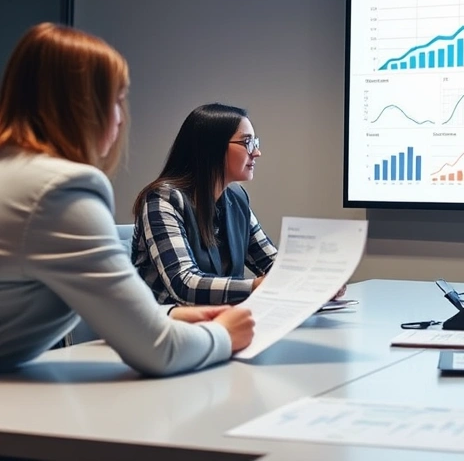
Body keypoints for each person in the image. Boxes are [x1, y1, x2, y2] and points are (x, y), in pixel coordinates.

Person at [0, 23, 254, 376]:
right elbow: (159, 351)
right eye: (117, 100)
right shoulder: (59, 191)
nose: (121, 119)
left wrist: (168, 315)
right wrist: (225, 335)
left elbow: (102, 303)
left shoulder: (15, 173)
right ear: (85, 107)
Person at [132, 103, 278, 306]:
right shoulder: (162, 199)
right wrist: (254, 287)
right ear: (213, 147)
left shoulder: (236, 197)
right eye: (247, 143)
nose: (257, 152)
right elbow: (184, 284)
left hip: (220, 323)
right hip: (167, 330)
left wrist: (314, 283)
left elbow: (273, 264)